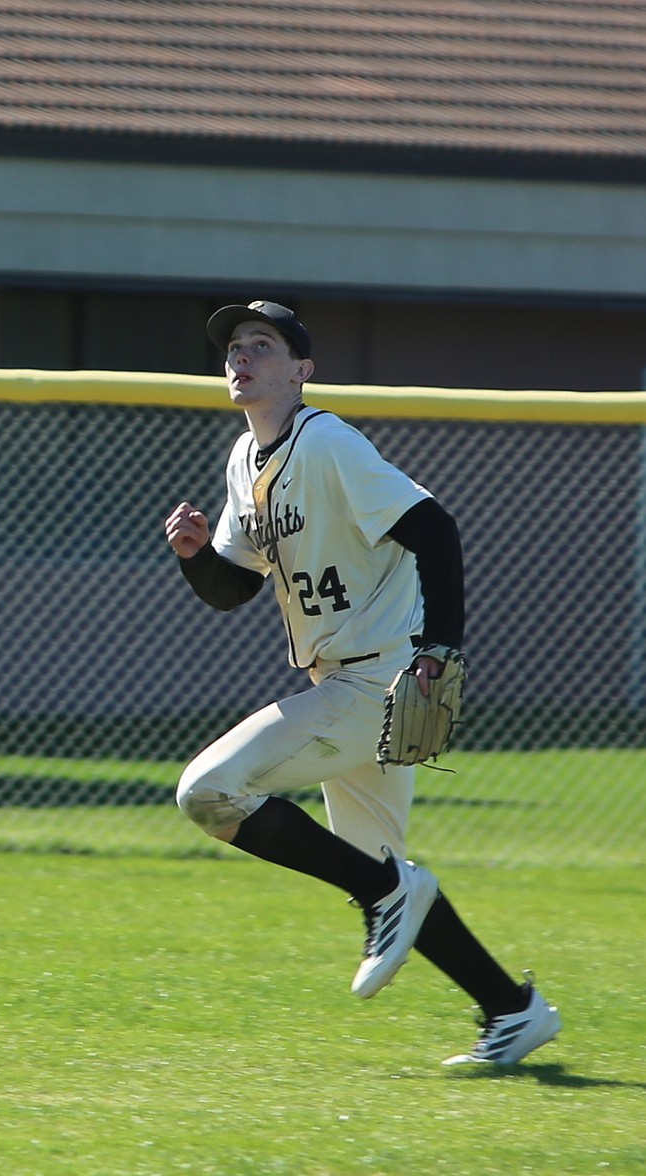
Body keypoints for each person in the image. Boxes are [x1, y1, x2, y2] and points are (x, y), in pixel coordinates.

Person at [165, 299, 560, 1066]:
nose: (241, 358)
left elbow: (434, 527)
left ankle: (388, 895)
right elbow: (232, 588)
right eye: (234, 348)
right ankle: (513, 1010)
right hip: (352, 681)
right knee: (381, 866)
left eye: (262, 345)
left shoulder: (326, 444)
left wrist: (442, 649)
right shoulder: (246, 461)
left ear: (302, 370)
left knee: (208, 792)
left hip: (378, 682)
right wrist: (192, 557)